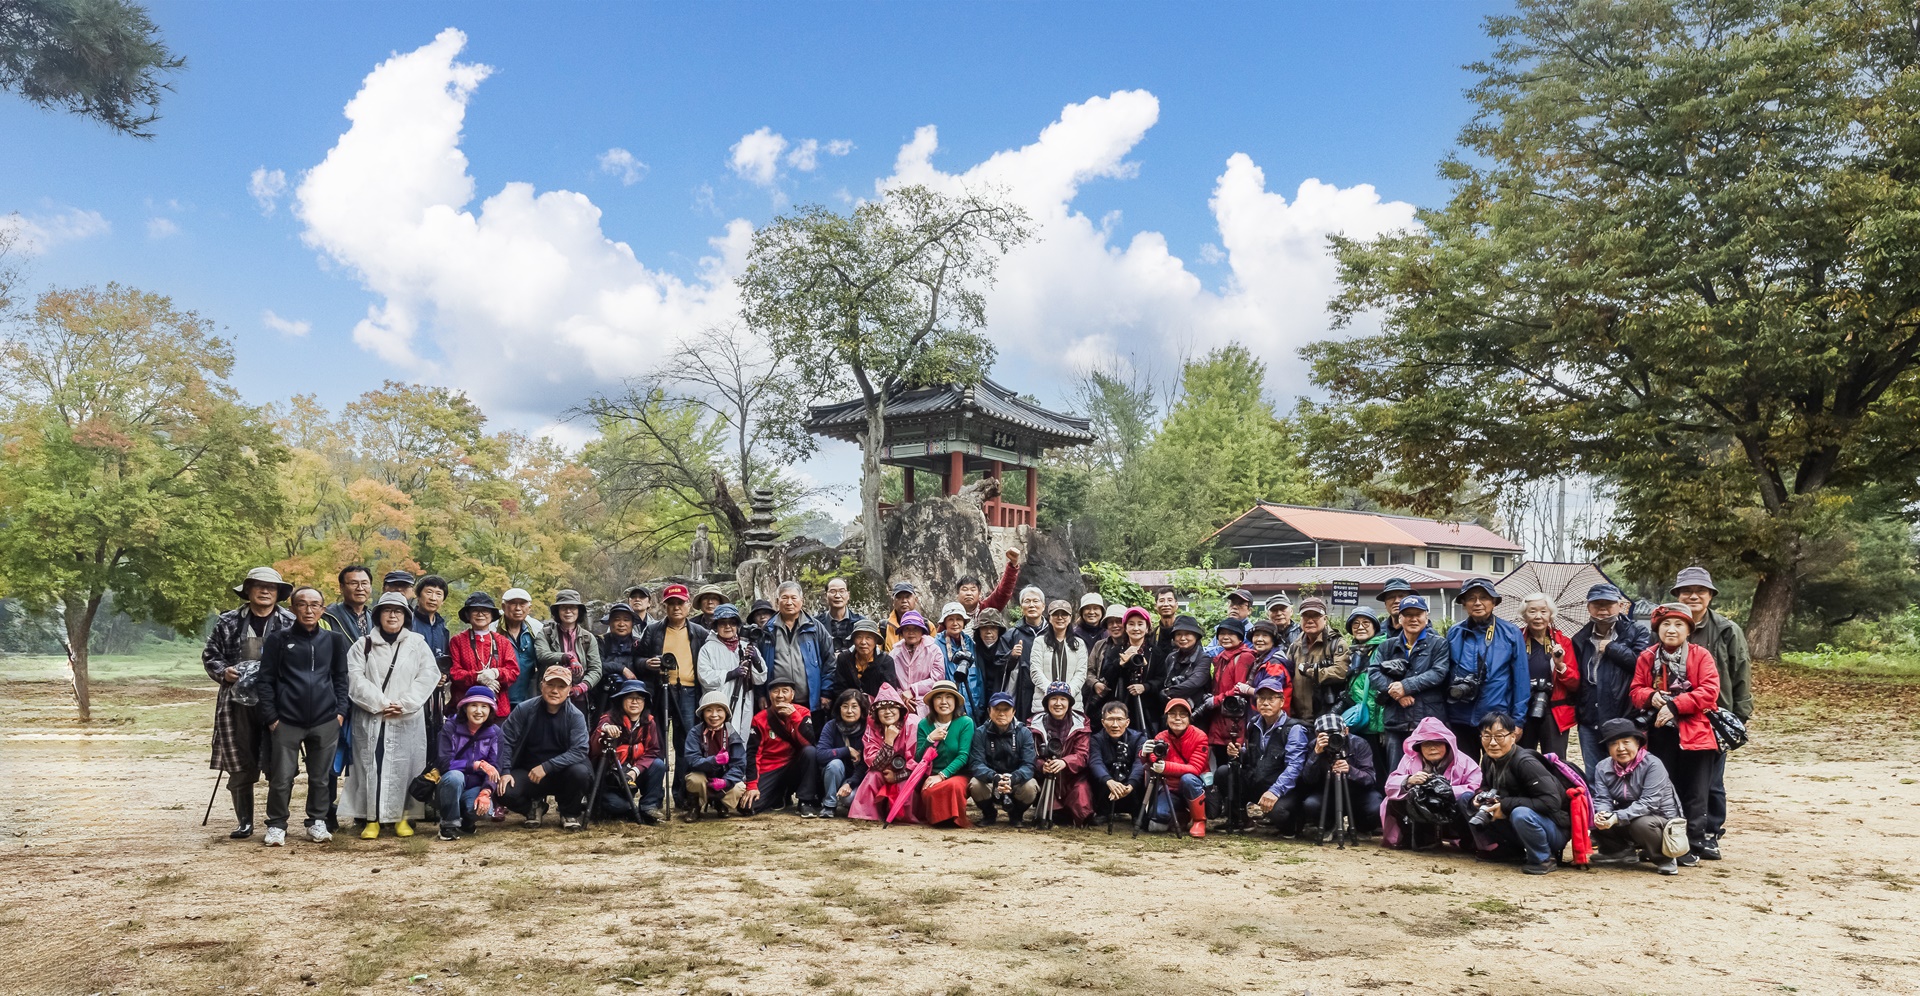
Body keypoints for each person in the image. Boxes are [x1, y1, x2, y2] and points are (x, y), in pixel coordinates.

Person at [204, 566, 296, 839]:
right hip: (237, 703)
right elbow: (210, 654)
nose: (265, 591)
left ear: (278, 593)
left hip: (279, 702)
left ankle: (276, 821)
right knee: (240, 760)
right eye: (258, 586)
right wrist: (224, 672)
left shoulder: (290, 622)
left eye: (271, 587)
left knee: (280, 762)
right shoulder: (228, 621)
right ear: (248, 590)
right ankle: (244, 821)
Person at [341, 593, 441, 838]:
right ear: (378, 615)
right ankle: (371, 818)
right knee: (371, 766)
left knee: (405, 767)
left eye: (398, 611)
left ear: (406, 616)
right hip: (372, 716)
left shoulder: (417, 644)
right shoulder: (363, 645)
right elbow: (354, 678)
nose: (393, 615)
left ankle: (403, 817)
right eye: (387, 610)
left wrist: (405, 704)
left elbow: (428, 675)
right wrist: (381, 703)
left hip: (406, 717)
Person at [256, 586, 350, 846]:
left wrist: (340, 712)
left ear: (322, 609)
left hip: (326, 719)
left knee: (321, 776)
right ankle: (277, 824)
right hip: (286, 720)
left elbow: (341, 678)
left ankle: (317, 821)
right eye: (302, 604)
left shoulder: (334, 640)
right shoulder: (278, 640)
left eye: (314, 605)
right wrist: (272, 717)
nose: (309, 610)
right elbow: (265, 680)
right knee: (282, 777)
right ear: (292, 608)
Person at [1630, 602, 1721, 866]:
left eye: (1679, 624)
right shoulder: (1647, 657)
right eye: (1666, 624)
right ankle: (1661, 842)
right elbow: (1636, 689)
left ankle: (1692, 844)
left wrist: (1675, 705)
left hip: (1696, 732)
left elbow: (1709, 691)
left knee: (1696, 790)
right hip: (1659, 733)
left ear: (1689, 630)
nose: (1671, 630)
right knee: (1662, 789)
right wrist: (1651, 696)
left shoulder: (1701, 655)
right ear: (1657, 629)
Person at [1672, 566, 1751, 861]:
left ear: (1710, 596)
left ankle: (1711, 833)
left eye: (1700, 591)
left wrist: (1740, 715)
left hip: (1714, 716)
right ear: (1677, 595)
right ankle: (1681, 831)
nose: (1693, 596)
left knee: (1712, 780)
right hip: (1675, 715)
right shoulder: (1667, 624)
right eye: (1686, 591)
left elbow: (1741, 672)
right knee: (1679, 775)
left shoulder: (1726, 630)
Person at [1465, 712, 1571, 874]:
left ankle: (1543, 858)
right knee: (1466, 799)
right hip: (1519, 822)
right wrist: (1480, 796)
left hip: (1554, 828)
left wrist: (1505, 806)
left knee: (1520, 813)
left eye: (1499, 736)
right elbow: (1485, 786)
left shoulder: (1526, 763)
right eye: (1486, 736)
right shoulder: (1488, 759)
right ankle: (1508, 850)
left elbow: (1551, 802)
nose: (1492, 743)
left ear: (1513, 737)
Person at [638, 583, 710, 809]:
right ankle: (654, 796)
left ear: (688, 605)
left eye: (680, 603)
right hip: (660, 689)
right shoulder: (653, 631)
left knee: (686, 742)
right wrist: (647, 663)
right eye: (671, 604)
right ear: (665, 606)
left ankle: (682, 794)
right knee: (656, 741)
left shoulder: (700, 633)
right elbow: (637, 659)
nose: (676, 607)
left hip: (689, 691)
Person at [1571, 583, 1651, 783]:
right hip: (1589, 716)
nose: (1602, 609)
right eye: (1597, 604)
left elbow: (1642, 664)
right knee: (1594, 775)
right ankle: (1598, 805)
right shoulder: (1580, 638)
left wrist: (1612, 648)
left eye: (1608, 604)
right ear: (1588, 607)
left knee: (1628, 773)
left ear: (1620, 606)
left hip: (1623, 714)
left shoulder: (1637, 632)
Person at [498, 666, 593, 831]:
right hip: (529, 773)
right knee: (502, 789)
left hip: (564, 772)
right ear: (541, 685)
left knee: (581, 773)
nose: (555, 691)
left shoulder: (575, 716)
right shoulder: (523, 709)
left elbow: (579, 750)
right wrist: (505, 771)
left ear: (569, 690)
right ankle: (532, 808)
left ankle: (569, 812)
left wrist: (546, 767)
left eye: (561, 686)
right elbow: (505, 741)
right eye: (550, 685)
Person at [1589, 718, 1686, 875]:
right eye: (1613, 744)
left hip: (1660, 819)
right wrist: (1602, 814)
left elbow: (1649, 804)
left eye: (1626, 742)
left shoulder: (1653, 764)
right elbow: (1602, 799)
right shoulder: (1602, 767)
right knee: (1592, 814)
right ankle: (1618, 851)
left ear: (1637, 743)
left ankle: (1665, 858)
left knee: (1641, 824)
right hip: (1627, 815)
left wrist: (1616, 817)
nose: (1620, 748)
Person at [1446, 578, 1529, 760]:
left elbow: (1521, 679)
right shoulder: (1455, 632)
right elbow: (1446, 673)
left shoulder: (1510, 632)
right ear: (1464, 603)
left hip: (1497, 717)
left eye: (1483, 597)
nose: (1477, 603)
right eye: (1471, 598)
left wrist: (1518, 720)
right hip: (1459, 715)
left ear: (1494, 602)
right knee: (1465, 769)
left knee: (1498, 770)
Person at [1370, 595, 1452, 764]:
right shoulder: (1387, 646)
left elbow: (1438, 673)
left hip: (1429, 720)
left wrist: (1405, 686)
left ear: (1426, 617)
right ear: (1400, 618)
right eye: (1408, 615)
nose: (1413, 619)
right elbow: (1373, 673)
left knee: (1430, 771)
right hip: (1396, 720)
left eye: (1418, 614)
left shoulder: (1439, 644)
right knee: (1397, 772)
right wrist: (1397, 693)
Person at [1380, 716, 1481, 850]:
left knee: (1467, 799)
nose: (1432, 748)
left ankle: (1467, 840)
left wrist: (1446, 791)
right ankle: (1408, 838)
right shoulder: (1409, 760)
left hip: (1452, 811)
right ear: (1419, 747)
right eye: (1427, 744)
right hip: (1420, 811)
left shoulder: (1464, 761)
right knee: (1392, 800)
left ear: (1447, 744)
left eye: (1438, 743)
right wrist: (1408, 780)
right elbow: (1390, 785)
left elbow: (1475, 786)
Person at [1272, 715, 1380, 838]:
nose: (1331, 738)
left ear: (1346, 731)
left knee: (1376, 807)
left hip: (1357, 792)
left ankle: (1361, 827)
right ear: (1317, 734)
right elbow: (1308, 780)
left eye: (1336, 733)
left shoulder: (1359, 744)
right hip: (1327, 794)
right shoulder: (1314, 745)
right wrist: (1316, 754)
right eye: (1325, 734)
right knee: (1310, 804)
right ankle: (1329, 825)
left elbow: (1370, 778)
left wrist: (1350, 770)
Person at [589, 680, 667, 824]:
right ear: (621, 700)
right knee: (619, 806)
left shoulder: (649, 722)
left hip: (633, 773)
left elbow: (653, 751)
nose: (634, 702)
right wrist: (605, 730)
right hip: (611, 779)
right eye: (630, 697)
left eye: (639, 698)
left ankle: (648, 806)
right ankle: (628, 809)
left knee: (658, 765)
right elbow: (594, 747)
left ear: (645, 702)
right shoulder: (608, 719)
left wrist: (635, 771)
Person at [1234, 674, 1304, 833]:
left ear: (1282, 702)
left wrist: (1275, 791)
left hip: (1284, 788)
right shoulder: (1253, 724)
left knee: (1279, 813)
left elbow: (1295, 767)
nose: (1265, 703)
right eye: (1261, 698)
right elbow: (1253, 755)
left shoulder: (1294, 729)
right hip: (1259, 780)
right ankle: (1242, 820)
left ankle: (1292, 826)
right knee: (1225, 773)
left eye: (1271, 698)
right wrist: (1239, 752)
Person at [741, 677, 820, 815]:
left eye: (785, 691)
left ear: (792, 695)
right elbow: (753, 754)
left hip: (794, 765)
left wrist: (794, 717)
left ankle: (805, 801)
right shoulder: (759, 719)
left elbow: (809, 742)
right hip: (770, 767)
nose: (780, 695)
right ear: (769, 695)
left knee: (810, 752)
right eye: (776, 691)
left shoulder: (803, 712)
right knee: (748, 807)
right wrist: (752, 785)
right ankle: (778, 794)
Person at [1516, 593, 1580, 758]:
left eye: (1543, 611)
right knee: (1522, 759)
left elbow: (1575, 683)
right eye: (1532, 611)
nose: (1538, 616)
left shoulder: (1563, 643)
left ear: (1550, 615)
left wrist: (1560, 666)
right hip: (1523, 708)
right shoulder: (1515, 640)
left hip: (1554, 710)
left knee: (1555, 761)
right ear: (1524, 615)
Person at [435, 688, 504, 839]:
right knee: (455, 777)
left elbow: (495, 768)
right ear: (465, 707)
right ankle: (448, 825)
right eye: (473, 705)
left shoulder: (495, 733)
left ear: (490, 710)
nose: (479, 711)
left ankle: (467, 822)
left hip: (475, 787)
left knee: (485, 810)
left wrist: (486, 792)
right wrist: (476, 764)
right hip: (449, 785)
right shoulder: (450, 727)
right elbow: (444, 763)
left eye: (484, 706)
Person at [757, 581, 834, 712]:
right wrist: (761, 695)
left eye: (793, 598)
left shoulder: (815, 628)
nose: (789, 602)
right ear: (777, 601)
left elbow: (829, 662)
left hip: (810, 701)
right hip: (778, 701)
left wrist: (826, 692)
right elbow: (758, 666)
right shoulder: (767, 630)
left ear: (802, 601)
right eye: (785, 598)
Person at [697, 604, 766, 744]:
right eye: (723, 623)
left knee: (742, 737)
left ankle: (739, 758)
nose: (728, 627)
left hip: (744, 700)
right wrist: (731, 674)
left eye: (732, 623)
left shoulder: (746, 646)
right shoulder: (708, 648)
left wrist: (756, 660)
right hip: (720, 701)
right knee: (720, 738)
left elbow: (760, 678)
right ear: (716, 626)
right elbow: (705, 677)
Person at [849, 684, 918, 823]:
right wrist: (888, 742)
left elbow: (917, 762)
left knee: (904, 785)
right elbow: (874, 763)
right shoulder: (872, 729)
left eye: (892, 707)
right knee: (872, 776)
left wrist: (897, 776)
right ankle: (867, 814)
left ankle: (901, 816)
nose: (888, 712)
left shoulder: (913, 724)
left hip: (907, 774)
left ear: (900, 710)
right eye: (882, 709)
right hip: (884, 771)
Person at [967, 692, 1038, 825]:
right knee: (975, 784)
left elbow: (1029, 765)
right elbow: (976, 763)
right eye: (997, 709)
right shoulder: (980, 732)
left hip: (1015, 780)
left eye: (1006, 709)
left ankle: (1016, 815)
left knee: (1030, 786)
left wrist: (1013, 778)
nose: (1001, 713)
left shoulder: (1024, 732)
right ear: (989, 711)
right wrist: (994, 777)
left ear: (1013, 711)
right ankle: (989, 813)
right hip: (991, 780)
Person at [1030, 681, 1093, 826]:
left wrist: (1065, 762)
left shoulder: (1081, 724)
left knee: (1082, 812)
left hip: (1073, 778)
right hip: (1046, 778)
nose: (1058, 703)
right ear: (1046, 703)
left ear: (1069, 703)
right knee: (1052, 815)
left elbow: (1083, 755)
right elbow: (1031, 754)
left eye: (1063, 699)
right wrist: (1042, 765)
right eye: (1053, 699)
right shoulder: (1034, 724)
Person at [1146, 698, 1211, 837]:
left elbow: (1195, 769)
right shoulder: (1160, 737)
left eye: (1182, 714)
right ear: (1166, 718)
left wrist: (1166, 767)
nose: (1177, 718)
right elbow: (1153, 759)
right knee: (1156, 820)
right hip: (1170, 789)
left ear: (1189, 718)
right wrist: (1144, 753)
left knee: (1188, 779)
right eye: (1172, 714)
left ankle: (1199, 820)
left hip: (1194, 787)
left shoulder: (1200, 736)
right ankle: (1182, 815)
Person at [449, 593, 518, 716]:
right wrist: (477, 677)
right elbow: (454, 673)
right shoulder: (457, 641)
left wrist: (495, 673)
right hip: (465, 708)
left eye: (485, 610)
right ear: (468, 614)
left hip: (498, 709)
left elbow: (513, 671)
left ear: (492, 615)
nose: (480, 614)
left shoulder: (503, 641)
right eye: (475, 610)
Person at [917, 680, 975, 827]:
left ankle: (954, 820)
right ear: (932, 702)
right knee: (929, 791)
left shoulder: (965, 722)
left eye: (949, 697)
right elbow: (919, 758)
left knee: (953, 786)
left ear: (955, 702)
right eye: (938, 697)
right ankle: (939, 819)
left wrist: (942, 775)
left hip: (958, 774)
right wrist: (930, 739)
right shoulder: (924, 724)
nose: (943, 702)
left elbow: (963, 755)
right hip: (932, 775)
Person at [683, 690, 747, 819]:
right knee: (694, 779)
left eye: (719, 710)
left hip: (724, 779)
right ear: (702, 713)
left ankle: (721, 804)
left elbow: (739, 764)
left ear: (726, 713)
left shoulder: (731, 733)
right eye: (709, 710)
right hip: (702, 777)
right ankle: (695, 806)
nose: (714, 715)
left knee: (739, 787)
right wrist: (713, 761)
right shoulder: (695, 732)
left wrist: (726, 781)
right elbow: (692, 760)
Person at [1099, 606, 1163, 734]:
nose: (1136, 628)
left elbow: (1162, 678)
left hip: (1148, 710)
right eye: (1131, 624)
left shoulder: (1155, 652)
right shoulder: (1116, 651)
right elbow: (1106, 675)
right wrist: (1120, 663)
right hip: (1122, 707)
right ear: (1126, 627)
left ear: (1147, 628)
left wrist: (1145, 687)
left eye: (1140, 624)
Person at [539, 589, 602, 716]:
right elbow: (542, 655)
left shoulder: (588, 638)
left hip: (579, 698)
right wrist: (567, 657)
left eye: (572, 607)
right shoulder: (546, 634)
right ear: (558, 611)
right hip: (551, 694)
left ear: (579, 611)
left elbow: (596, 669)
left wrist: (582, 687)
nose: (568, 611)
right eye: (564, 608)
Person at [1029, 600, 1090, 719]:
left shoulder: (1079, 644)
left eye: (1064, 614)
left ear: (1070, 618)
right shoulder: (1039, 642)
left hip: (1073, 704)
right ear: (1049, 618)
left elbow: (1081, 673)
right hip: (1042, 704)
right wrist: (1051, 690)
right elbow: (1035, 671)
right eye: (1056, 614)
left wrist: (1067, 693)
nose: (1060, 618)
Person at [1088, 701, 1146, 825]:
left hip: (1129, 785)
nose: (1115, 725)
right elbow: (1095, 762)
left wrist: (1131, 785)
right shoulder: (1096, 739)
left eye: (1119, 719)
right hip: (1107, 785)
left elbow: (1139, 763)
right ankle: (1103, 812)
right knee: (1097, 773)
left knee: (1141, 772)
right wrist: (1109, 781)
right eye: (1110, 719)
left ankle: (1136, 813)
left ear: (1127, 722)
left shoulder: (1138, 739)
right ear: (1103, 722)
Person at [1288, 598, 1347, 721]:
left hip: (1327, 716)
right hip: (1297, 717)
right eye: (1305, 616)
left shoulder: (1336, 643)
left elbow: (1340, 672)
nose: (1310, 620)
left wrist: (1312, 672)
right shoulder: (1295, 646)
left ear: (1325, 619)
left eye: (1315, 615)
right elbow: (1286, 675)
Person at [814, 688, 869, 818]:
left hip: (858, 777)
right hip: (836, 775)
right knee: (835, 764)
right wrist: (846, 750)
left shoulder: (868, 728)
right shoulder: (831, 726)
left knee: (848, 800)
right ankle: (829, 805)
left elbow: (865, 763)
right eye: (845, 706)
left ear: (861, 709)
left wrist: (850, 783)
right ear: (839, 708)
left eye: (854, 706)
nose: (849, 711)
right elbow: (820, 754)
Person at [1204, 618, 1256, 754]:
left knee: (1233, 758)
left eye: (1231, 633)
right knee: (1220, 756)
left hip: (1235, 720)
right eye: (1222, 633)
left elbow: (1239, 689)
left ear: (1240, 638)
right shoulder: (1221, 657)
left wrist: (1216, 700)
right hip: (1219, 718)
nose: (1225, 637)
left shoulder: (1244, 657)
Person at [933, 602, 986, 719]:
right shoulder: (935, 645)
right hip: (947, 709)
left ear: (964, 622)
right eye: (950, 619)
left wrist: (981, 708)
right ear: (944, 622)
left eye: (959, 619)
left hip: (973, 708)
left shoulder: (971, 644)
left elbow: (979, 678)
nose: (955, 623)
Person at [891, 610, 945, 721]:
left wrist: (912, 690)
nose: (911, 632)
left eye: (915, 629)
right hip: (901, 706)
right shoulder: (894, 653)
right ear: (902, 632)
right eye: (907, 629)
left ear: (922, 631)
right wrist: (902, 696)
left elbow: (937, 678)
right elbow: (891, 682)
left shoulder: (934, 650)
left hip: (928, 705)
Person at [1004, 586, 1048, 720]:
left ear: (1043, 606)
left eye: (1036, 601)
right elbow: (998, 665)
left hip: (1047, 687)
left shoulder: (1052, 633)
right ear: (1021, 606)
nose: (1031, 605)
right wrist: (1012, 656)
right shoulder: (1012, 634)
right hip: (1021, 690)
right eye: (1027, 601)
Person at [832, 618, 901, 702]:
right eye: (859, 637)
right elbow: (839, 689)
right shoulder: (844, 659)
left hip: (877, 706)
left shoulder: (886, 661)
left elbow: (889, 693)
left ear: (875, 640)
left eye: (868, 637)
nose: (863, 642)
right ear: (853, 640)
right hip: (849, 706)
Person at [1160, 615, 1211, 716]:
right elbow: (1163, 680)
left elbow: (1195, 682)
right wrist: (1162, 692)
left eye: (1187, 634)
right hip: (1173, 711)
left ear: (1196, 636)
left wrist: (1169, 692)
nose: (1183, 638)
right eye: (1178, 634)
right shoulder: (1171, 658)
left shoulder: (1203, 658)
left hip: (1196, 712)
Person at [499, 589, 543, 707]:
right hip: (499, 698)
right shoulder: (493, 629)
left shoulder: (537, 629)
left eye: (522, 604)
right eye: (513, 603)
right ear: (503, 607)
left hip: (529, 699)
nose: (518, 608)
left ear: (529, 608)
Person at [970, 607, 1014, 722]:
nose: (988, 632)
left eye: (993, 628)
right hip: (977, 702)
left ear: (999, 631)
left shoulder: (1007, 651)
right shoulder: (972, 650)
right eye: (984, 628)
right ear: (978, 631)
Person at [598, 602, 643, 708]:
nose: (621, 624)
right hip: (603, 694)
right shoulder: (601, 641)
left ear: (632, 623)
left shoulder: (638, 644)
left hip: (633, 694)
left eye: (626, 620)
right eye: (616, 619)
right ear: (610, 623)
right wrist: (622, 669)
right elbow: (597, 665)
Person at [1084, 604, 1125, 716]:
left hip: (1126, 699)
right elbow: (1089, 670)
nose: (1115, 625)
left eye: (1119, 621)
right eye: (1111, 622)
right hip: (1102, 700)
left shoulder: (1133, 646)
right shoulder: (1100, 645)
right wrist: (1095, 684)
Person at [956, 548, 1021, 617]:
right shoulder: (951, 615)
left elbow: (1003, 592)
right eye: (965, 589)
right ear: (957, 595)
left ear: (980, 595)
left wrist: (1013, 565)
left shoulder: (987, 610)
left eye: (973, 590)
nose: (969, 593)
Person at [322, 565, 375, 642]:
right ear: (341, 587)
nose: (360, 588)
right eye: (354, 583)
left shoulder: (375, 619)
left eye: (364, 583)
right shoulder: (328, 617)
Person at [821, 576, 864, 656]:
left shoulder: (861, 622)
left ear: (848, 595)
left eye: (842, 591)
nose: (837, 595)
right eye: (833, 591)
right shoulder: (817, 624)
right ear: (825, 595)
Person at [882, 582, 919, 650]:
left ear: (916, 600)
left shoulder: (927, 626)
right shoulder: (883, 627)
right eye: (899, 597)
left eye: (907, 597)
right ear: (893, 601)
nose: (904, 601)